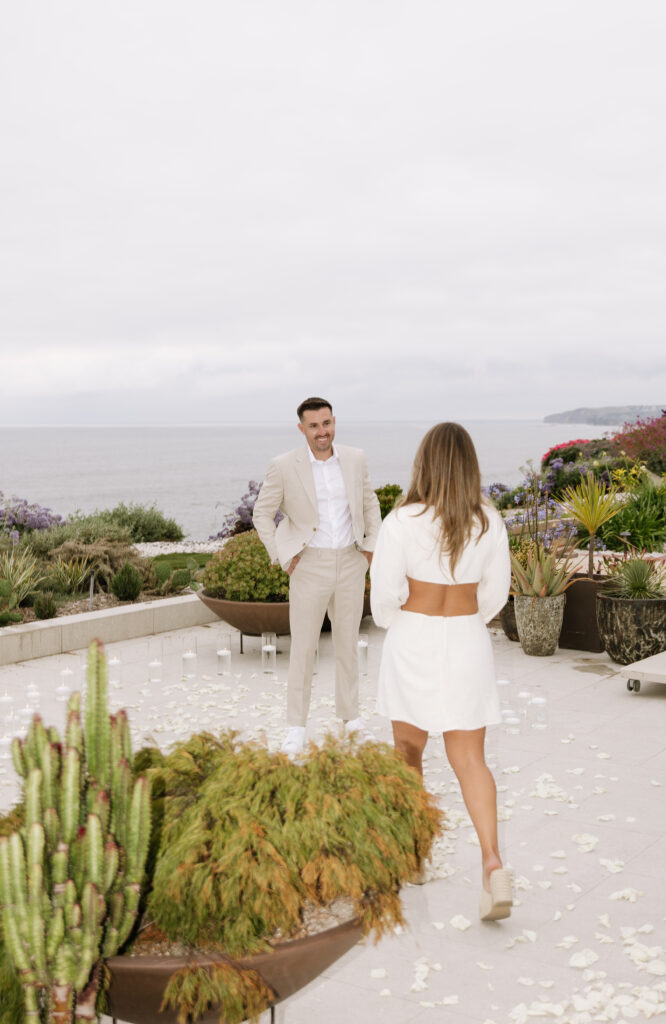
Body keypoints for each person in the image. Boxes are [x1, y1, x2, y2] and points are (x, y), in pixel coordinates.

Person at [370, 422, 513, 921]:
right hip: (468, 640)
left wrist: (399, 622)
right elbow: (495, 595)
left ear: (424, 464)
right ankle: (493, 864)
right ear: (469, 465)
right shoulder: (490, 522)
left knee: (407, 752)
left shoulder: (401, 521)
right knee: (470, 758)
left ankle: (415, 858)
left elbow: (384, 597)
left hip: (414, 638)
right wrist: (468, 622)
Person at [253, 397, 382, 757]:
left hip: (351, 563)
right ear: (302, 428)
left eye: (326, 424)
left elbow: (370, 503)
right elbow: (262, 514)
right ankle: (296, 727)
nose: (322, 432)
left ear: (334, 422)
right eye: (314, 426)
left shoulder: (355, 458)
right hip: (308, 566)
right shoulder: (283, 466)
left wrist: (370, 548)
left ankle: (351, 720)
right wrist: (282, 555)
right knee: (303, 649)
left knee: (347, 646)